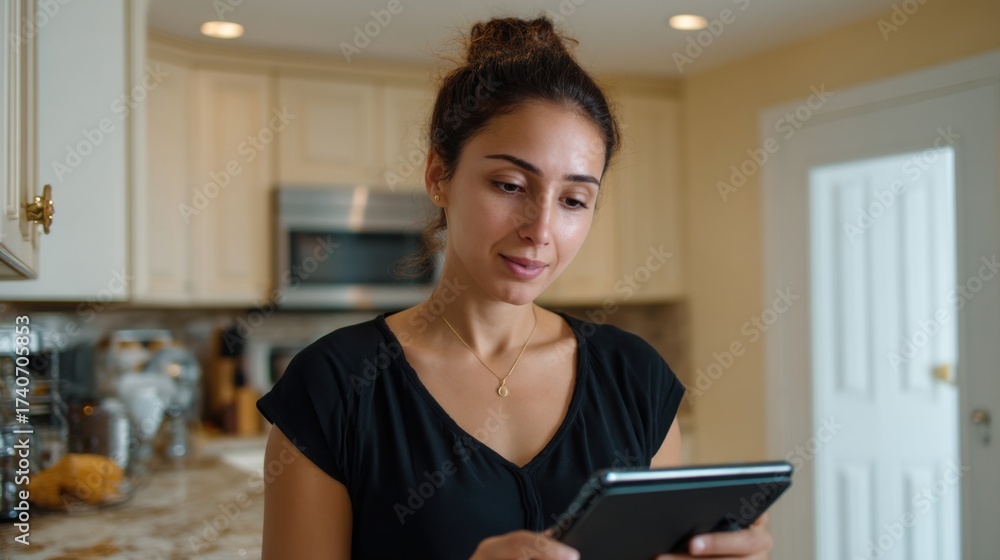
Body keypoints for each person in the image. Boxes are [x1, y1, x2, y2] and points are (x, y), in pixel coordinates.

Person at [257, 15, 773, 560]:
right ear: (439, 176)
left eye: (573, 200)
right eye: (509, 184)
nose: (540, 229)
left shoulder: (635, 379)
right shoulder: (334, 388)